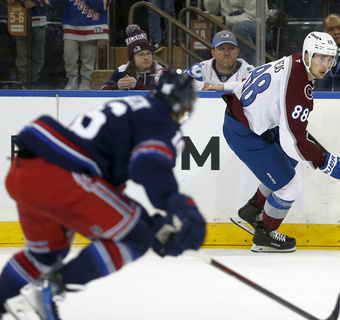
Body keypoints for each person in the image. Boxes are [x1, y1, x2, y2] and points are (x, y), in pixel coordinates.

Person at [0, 68, 206, 320]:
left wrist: (152, 223)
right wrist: (181, 207)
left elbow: (104, 186)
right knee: (135, 238)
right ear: (181, 104)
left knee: (44, 255)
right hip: (61, 179)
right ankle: (49, 290)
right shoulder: (162, 120)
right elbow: (146, 164)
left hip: (25, 171)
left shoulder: (130, 104)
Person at [222, 32, 340, 253]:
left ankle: (253, 210)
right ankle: (265, 234)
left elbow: (286, 119)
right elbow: (293, 142)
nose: (325, 65)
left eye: (329, 59)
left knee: (290, 166)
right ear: (307, 55)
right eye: (320, 58)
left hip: (250, 122)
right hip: (245, 132)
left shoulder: (295, 61)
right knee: (291, 187)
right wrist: (326, 162)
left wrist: (298, 133)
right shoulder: (297, 84)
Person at [40, 0, 110, 90]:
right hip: (71, 23)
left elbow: (103, 4)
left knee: (88, 57)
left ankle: (85, 80)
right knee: (69, 54)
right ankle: (72, 79)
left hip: (92, 23)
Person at [203, 0, 272, 66]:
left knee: (239, 28)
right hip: (227, 26)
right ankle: (205, 70)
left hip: (258, 28)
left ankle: (251, 69)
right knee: (203, 27)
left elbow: (254, 17)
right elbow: (212, 10)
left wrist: (224, 20)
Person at [185, 30, 255, 91]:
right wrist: (205, 86)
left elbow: (254, 83)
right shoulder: (202, 68)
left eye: (231, 48)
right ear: (213, 53)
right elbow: (179, 80)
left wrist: (222, 87)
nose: (227, 53)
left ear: (237, 52)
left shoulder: (248, 70)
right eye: (221, 48)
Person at [102, 25, 164, 90]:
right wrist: (117, 86)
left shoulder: (160, 72)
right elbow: (103, 91)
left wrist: (137, 85)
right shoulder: (121, 71)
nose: (146, 57)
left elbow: (162, 96)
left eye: (148, 53)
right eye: (141, 55)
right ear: (132, 58)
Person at [7, 0, 48, 89]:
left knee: (38, 54)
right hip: (19, 17)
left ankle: (34, 81)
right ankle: (24, 82)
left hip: (38, 19)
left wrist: (37, 2)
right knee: (22, 54)